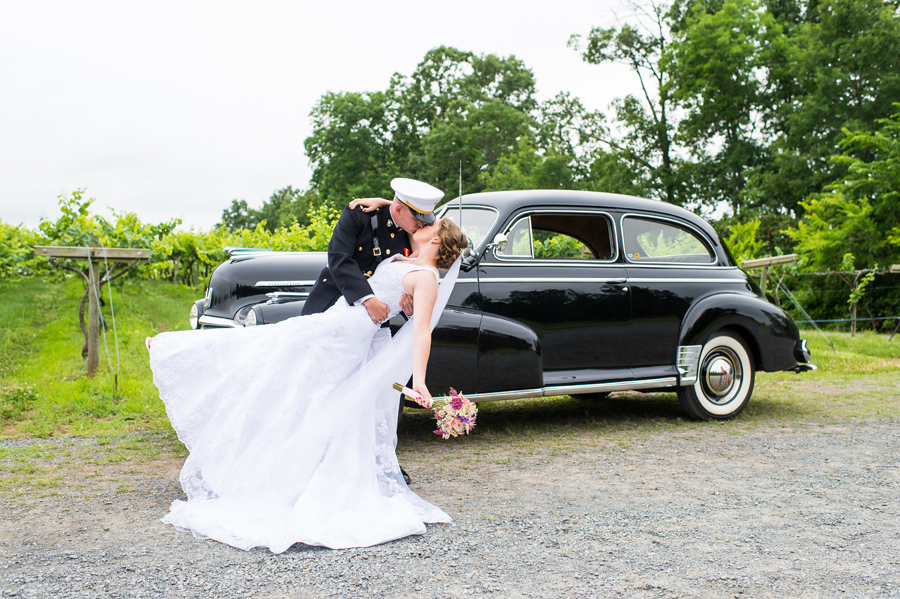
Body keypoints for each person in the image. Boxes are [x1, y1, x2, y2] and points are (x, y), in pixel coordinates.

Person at [147, 217, 468, 552]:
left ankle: (171, 350)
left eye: (431, 225)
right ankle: (179, 356)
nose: (422, 224)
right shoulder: (407, 262)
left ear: (435, 241)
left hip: (347, 337)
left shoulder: (427, 279)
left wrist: (422, 382)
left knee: (273, 350)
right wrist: (378, 207)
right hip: (334, 320)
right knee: (277, 362)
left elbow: (421, 332)